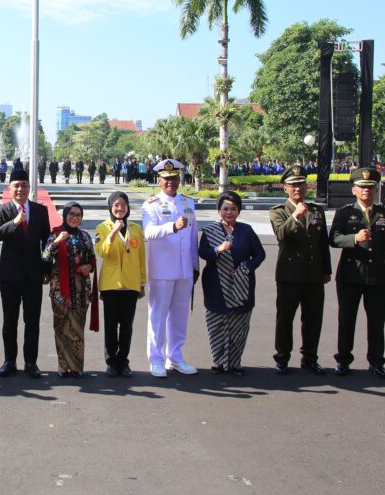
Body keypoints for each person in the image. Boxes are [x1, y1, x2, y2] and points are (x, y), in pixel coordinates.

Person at [328, 168, 385, 378]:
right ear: (354, 190)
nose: (366, 191)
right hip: (350, 275)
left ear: (376, 190)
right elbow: (333, 239)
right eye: (362, 187)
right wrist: (354, 239)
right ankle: (343, 360)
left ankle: (377, 362)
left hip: (378, 276)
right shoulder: (344, 213)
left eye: (370, 187)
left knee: (377, 322)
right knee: (347, 320)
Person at [268, 165, 331, 375]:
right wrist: (295, 216)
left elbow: (323, 243)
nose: (298, 189)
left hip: (314, 274)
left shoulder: (317, 210)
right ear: (285, 188)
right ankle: (282, 357)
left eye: (301, 184)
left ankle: (310, 358)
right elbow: (280, 234)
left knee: (313, 319)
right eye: (293, 185)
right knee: (285, 319)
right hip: (289, 275)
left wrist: (326, 270)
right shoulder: (278, 211)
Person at [141, 159, 200, 377]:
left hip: (185, 268)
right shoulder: (151, 205)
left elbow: (193, 236)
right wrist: (172, 227)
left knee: (180, 315)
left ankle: (175, 357)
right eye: (166, 179)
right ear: (159, 180)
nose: (171, 182)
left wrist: (195, 264)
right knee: (158, 315)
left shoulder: (187, 202)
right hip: (163, 269)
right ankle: (156, 359)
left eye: (174, 178)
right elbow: (149, 232)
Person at [0, 169, 51, 378]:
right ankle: (9, 361)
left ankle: (31, 362)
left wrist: (46, 269)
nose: (20, 189)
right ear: (9, 188)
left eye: (24, 185)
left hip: (34, 275)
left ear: (29, 188)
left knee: (32, 321)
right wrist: (14, 223)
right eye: (16, 185)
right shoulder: (2, 210)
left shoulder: (40, 211)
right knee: (10, 321)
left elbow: (47, 243)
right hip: (10, 275)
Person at [198, 191, 265, 376]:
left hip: (241, 284)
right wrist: (217, 249)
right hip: (215, 284)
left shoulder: (246, 230)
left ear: (239, 211)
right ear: (219, 211)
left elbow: (260, 254)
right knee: (216, 323)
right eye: (225, 208)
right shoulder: (210, 231)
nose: (229, 212)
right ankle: (219, 361)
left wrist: (245, 268)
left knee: (239, 325)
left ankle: (235, 363)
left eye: (233, 209)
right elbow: (202, 252)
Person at [41, 202, 97, 378]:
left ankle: (76, 366)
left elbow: (92, 259)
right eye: (71, 214)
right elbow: (45, 256)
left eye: (78, 215)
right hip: (60, 290)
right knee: (62, 327)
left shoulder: (85, 236)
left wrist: (89, 267)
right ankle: (63, 365)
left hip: (81, 289)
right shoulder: (56, 234)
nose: (74, 217)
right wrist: (57, 241)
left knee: (77, 327)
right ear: (65, 215)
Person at [95, 191, 146, 377]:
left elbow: (141, 258)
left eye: (123, 205)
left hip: (131, 284)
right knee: (110, 326)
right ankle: (111, 361)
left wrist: (142, 283)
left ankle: (123, 361)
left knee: (127, 327)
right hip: (111, 284)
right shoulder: (102, 227)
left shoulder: (136, 228)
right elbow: (102, 252)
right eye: (116, 205)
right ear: (110, 207)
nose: (120, 208)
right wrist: (114, 232)